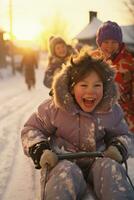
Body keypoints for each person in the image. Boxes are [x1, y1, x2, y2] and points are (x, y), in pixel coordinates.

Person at [21, 53, 134, 200]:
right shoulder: (55, 108)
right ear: (72, 87)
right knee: (63, 177)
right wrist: (40, 148)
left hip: (98, 160)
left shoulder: (110, 110)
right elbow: (31, 129)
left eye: (97, 85)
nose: (90, 91)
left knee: (111, 171)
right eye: (84, 85)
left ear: (105, 87)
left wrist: (118, 146)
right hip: (62, 161)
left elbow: (124, 134)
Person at [91, 21, 134, 132]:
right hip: (95, 114)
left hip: (124, 116)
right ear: (99, 43)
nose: (110, 46)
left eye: (114, 42)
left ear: (119, 43)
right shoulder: (91, 59)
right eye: (106, 41)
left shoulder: (129, 61)